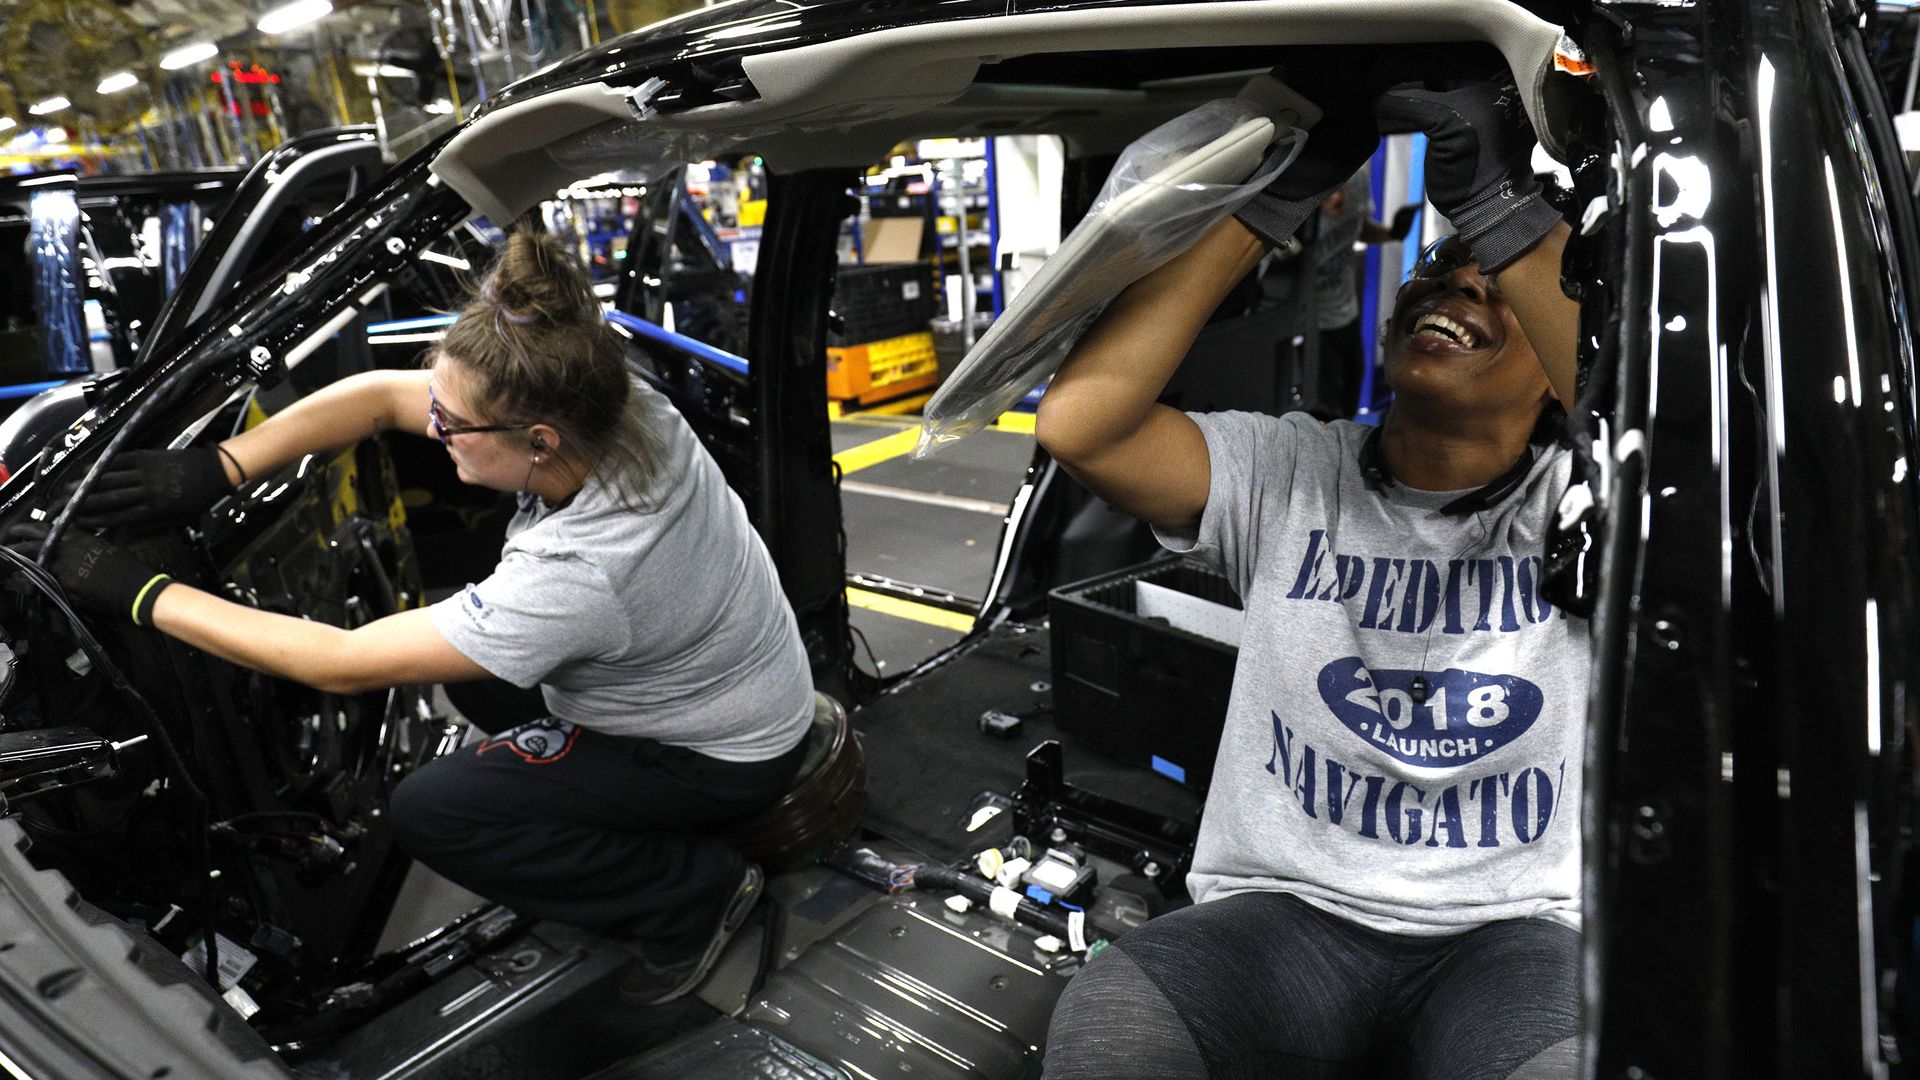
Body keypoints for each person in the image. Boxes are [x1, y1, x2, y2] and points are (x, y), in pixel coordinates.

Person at [24, 230, 816, 1006]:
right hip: (742, 685)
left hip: (714, 754)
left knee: (435, 810)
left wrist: (137, 591)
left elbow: (336, 660)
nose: (432, 430)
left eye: (450, 424)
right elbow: (376, 397)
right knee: (477, 687)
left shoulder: (587, 569)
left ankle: (692, 897)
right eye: (435, 405)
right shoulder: (618, 405)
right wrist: (223, 466)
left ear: (538, 440)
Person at [1035, 73, 1585, 1079]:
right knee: (1108, 1023)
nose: (1457, 284)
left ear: (1557, 368)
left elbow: (1666, 444)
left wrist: (1505, 216)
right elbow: (1080, 427)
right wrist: (1269, 204)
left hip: (1508, 937)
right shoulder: (1292, 468)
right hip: (1288, 918)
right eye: (1442, 270)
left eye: (1493, 283)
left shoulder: (1591, 499)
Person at [1309, 167, 1417, 418]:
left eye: (1340, 189)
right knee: (1325, 410)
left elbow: (1357, 226)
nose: (1337, 199)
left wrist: (1392, 234)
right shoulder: (1297, 204)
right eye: (1327, 195)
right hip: (1310, 324)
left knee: (1350, 398)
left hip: (1346, 312)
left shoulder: (1357, 181)